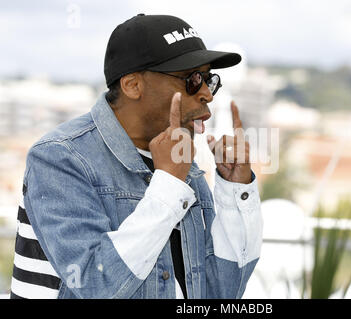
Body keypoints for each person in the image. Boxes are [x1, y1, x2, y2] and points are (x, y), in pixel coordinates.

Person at [10, 13, 263, 299]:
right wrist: (168, 184)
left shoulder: (180, 164)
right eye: (191, 79)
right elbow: (95, 285)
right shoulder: (60, 157)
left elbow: (221, 293)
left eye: (209, 79)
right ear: (132, 85)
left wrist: (236, 191)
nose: (207, 93)